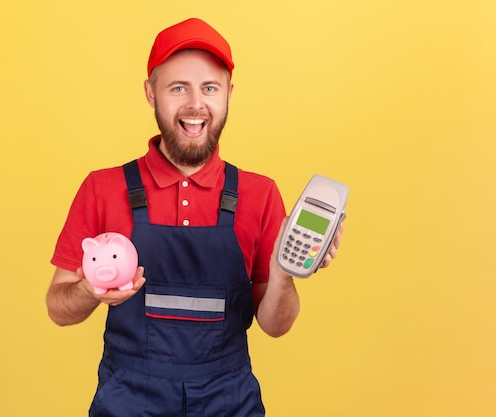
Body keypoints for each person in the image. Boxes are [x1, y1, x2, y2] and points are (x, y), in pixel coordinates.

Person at [46, 17, 344, 417]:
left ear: (228, 95)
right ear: (151, 93)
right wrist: (88, 292)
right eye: (177, 88)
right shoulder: (103, 188)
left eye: (209, 88)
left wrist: (283, 274)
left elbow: (275, 325)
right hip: (128, 400)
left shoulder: (260, 193)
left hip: (229, 400)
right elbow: (57, 307)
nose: (195, 104)